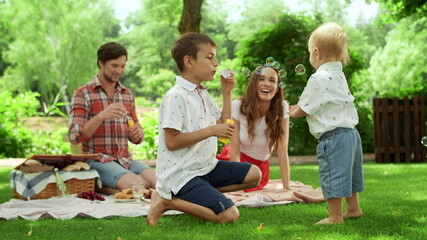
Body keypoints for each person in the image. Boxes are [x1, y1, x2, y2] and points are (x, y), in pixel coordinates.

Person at [147, 32, 261, 226]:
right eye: (209, 57)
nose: (215, 63)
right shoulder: (177, 96)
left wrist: (227, 93)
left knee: (254, 174)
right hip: (182, 174)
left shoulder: (201, 93)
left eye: (215, 57)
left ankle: (201, 193)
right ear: (189, 61)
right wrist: (211, 131)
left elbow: (225, 122)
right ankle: (168, 202)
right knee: (229, 215)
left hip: (207, 167)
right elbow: (172, 142)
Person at [289, 22, 364, 224]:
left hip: (334, 137)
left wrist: (292, 110)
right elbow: (325, 102)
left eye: (310, 53)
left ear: (317, 52)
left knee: (333, 173)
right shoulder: (338, 75)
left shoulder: (319, 77)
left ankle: (335, 217)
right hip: (351, 135)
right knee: (349, 172)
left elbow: (303, 109)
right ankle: (354, 209)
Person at [68, 42, 156, 195]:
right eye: (114, 66)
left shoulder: (127, 94)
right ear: (101, 63)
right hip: (97, 160)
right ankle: (98, 186)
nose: (119, 71)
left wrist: (137, 134)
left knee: (159, 183)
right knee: (139, 186)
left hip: (124, 160)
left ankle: (109, 188)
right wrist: (102, 116)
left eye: (122, 66)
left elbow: (136, 133)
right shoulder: (83, 93)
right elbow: (74, 137)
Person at [217, 62, 291, 192]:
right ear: (254, 85)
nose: (266, 83)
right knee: (209, 178)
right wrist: (237, 181)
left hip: (259, 168)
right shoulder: (238, 106)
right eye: (261, 79)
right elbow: (234, 149)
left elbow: (282, 150)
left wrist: (287, 187)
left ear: (278, 88)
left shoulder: (282, 109)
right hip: (235, 161)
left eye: (272, 80)